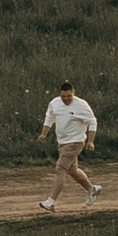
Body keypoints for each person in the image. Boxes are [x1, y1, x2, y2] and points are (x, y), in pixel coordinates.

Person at [37, 81, 101, 212]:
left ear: (73, 93)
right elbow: (49, 118)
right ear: (60, 95)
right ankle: (92, 189)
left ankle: (51, 201)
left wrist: (90, 141)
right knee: (72, 170)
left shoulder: (81, 105)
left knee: (60, 169)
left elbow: (92, 121)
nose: (66, 99)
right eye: (63, 96)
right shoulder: (54, 103)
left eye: (69, 96)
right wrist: (44, 133)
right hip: (62, 142)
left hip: (75, 142)